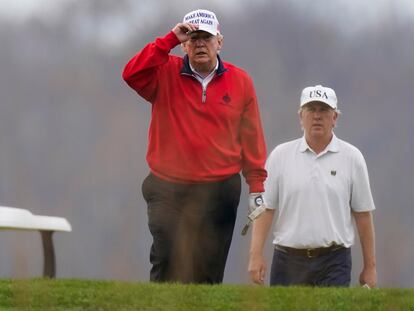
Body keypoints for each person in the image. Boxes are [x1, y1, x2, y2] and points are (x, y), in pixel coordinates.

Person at [122, 9, 267, 284]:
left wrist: (256, 186)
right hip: (167, 187)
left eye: (207, 38)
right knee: (166, 261)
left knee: (207, 273)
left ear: (219, 42)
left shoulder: (241, 81)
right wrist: (168, 40)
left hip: (219, 189)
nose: (200, 43)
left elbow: (251, 137)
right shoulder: (165, 72)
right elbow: (131, 74)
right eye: (193, 38)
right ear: (184, 44)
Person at [248, 85, 377, 287]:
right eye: (311, 110)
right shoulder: (280, 156)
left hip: (334, 261)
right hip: (288, 259)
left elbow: (363, 214)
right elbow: (265, 210)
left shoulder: (352, 158)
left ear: (335, 118)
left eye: (324, 110)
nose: (317, 116)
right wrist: (255, 256)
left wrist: (370, 267)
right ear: (301, 117)